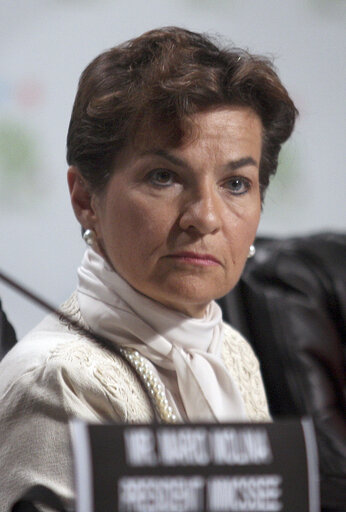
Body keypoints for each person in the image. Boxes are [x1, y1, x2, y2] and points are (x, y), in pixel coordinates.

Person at [0, 27, 298, 511]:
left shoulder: (233, 352)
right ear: (85, 199)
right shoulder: (55, 380)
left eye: (236, 184)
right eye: (164, 177)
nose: (205, 217)